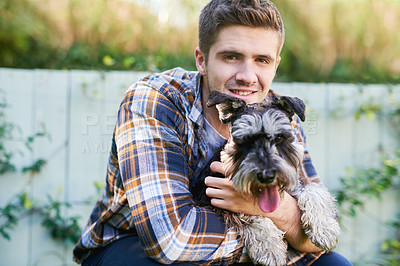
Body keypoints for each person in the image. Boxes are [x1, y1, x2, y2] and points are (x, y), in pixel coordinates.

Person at [73, 0, 352, 265]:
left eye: (262, 60)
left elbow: (322, 234)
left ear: (275, 65)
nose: (247, 75)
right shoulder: (156, 100)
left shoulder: (278, 115)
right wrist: (269, 230)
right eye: (231, 57)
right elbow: (170, 241)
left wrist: (268, 210)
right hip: (132, 242)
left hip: (250, 232)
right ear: (201, 60)